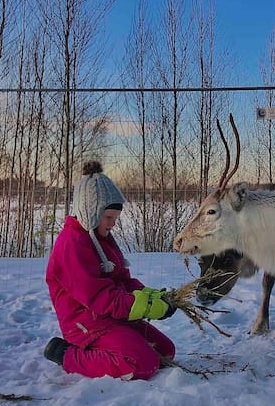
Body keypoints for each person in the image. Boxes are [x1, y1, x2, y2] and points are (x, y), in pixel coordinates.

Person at [44, 160, 176, 380]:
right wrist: (143, 307)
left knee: (165, 351)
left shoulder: (102, 239)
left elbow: (123, 281)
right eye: (109, 217)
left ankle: (115, 347)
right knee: (142, 363)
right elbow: (99, 297)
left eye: (115, 218)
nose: (113, 224)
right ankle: (66, 354)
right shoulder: (72, 244)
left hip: (111, 319)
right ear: (90, 213)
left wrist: (153, 297)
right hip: (87, 324)